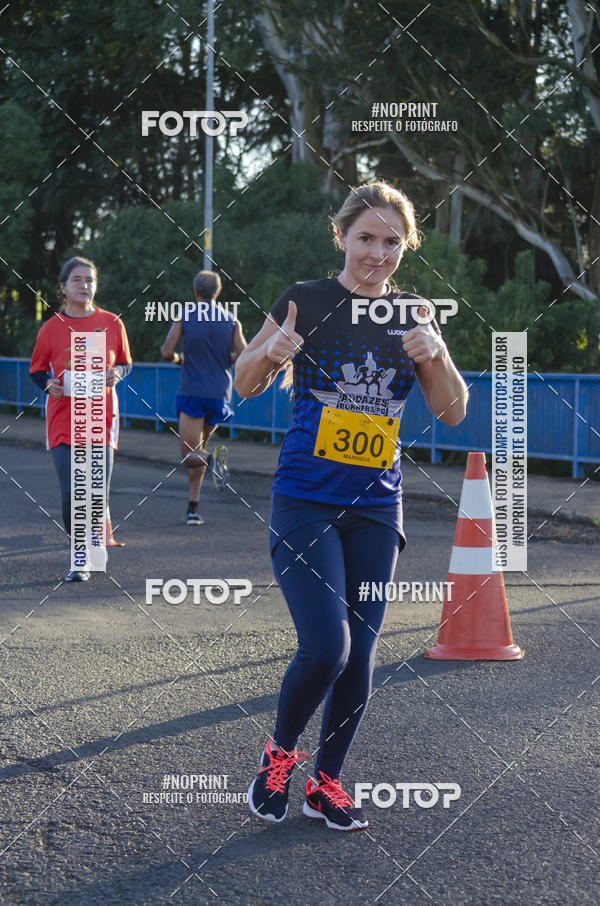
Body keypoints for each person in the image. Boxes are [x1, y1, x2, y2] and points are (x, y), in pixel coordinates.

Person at [234, 180, 468, 831]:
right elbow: (244, 386)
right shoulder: (304, 301)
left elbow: (451, 412)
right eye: (366, 237)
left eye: (392, 241)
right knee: (325, 647)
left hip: (376, 508)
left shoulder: (414, 313)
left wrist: (439, 354)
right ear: (341, 236)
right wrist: (268, 352)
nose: (378, 253)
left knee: (360, 655)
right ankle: (278, 757)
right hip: (305, 500)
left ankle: (327, 782)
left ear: (405, 246)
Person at [29, 256, 132, 582]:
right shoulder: (51, 328)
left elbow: (127, 363)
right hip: (63, 418)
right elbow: (36, 369)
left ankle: (89, 549)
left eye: (90, 279)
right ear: (63, 287)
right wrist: (49, 384)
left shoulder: (113, 323)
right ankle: (80, 554)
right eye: (77, 280)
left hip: (101, 418)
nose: (85, 285)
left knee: (96, 490)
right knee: (71, 493)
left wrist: (116, 372)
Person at [160, 270, 246, 525]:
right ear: (218, 293)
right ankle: (193, 508)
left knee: (190, 455)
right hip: (219, 394)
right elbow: (244, 355)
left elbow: (166, 351)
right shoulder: (231, 321)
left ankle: (213, 461)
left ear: (196, 292)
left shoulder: (185, 316)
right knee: (197, 450)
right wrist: (225, 358)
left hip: (192, 393)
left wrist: (179, 359)